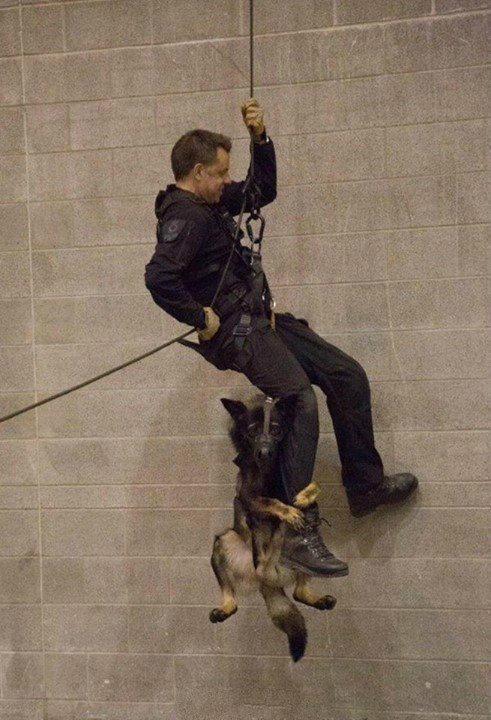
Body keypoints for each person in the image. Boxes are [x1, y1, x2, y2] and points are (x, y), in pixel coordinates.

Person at [144, 99, 418, 578]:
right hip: (235, 330)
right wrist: (197, 316)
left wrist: (260, 139)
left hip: (260, 318)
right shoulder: (184, 215)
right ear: (197, 172)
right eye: (221, 173)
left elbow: (260, 190)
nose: (228, 182)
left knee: (345, 375)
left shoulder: (209, 202)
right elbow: (158, 277)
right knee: (299, 397)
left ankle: (365, 486)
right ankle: (296, 530)